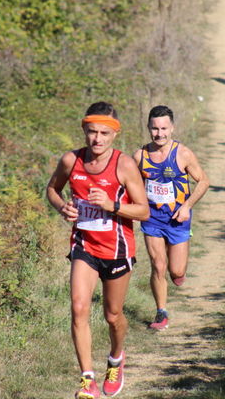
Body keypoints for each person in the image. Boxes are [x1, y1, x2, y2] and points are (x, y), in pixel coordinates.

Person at [46, 101, 149, 398]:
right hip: (84, 246)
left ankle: (116, 359)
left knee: (113, 316)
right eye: (92, 132)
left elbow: (143, 212)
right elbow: (52, 189)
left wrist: (112, 205)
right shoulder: (71, 161)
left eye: (104, 133)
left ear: (114, 135)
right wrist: (62, 207)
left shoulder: (124, 164)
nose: (97, 139)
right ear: (84, 130)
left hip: (117, 249)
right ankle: (86, 379)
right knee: (78, 308)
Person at [133, 105, 209, 330]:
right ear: (148, 128)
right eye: (155, 128)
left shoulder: (183, 153)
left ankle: (178, 271)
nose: (159, 134)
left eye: (164, 128)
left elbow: (203, 181)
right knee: (158, 265)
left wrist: (187, 206)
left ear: (172, 128)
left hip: (178, 218)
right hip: (152, 218)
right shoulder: (140, 156)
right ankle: (161, 313)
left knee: (176, 271)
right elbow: (130, 184)